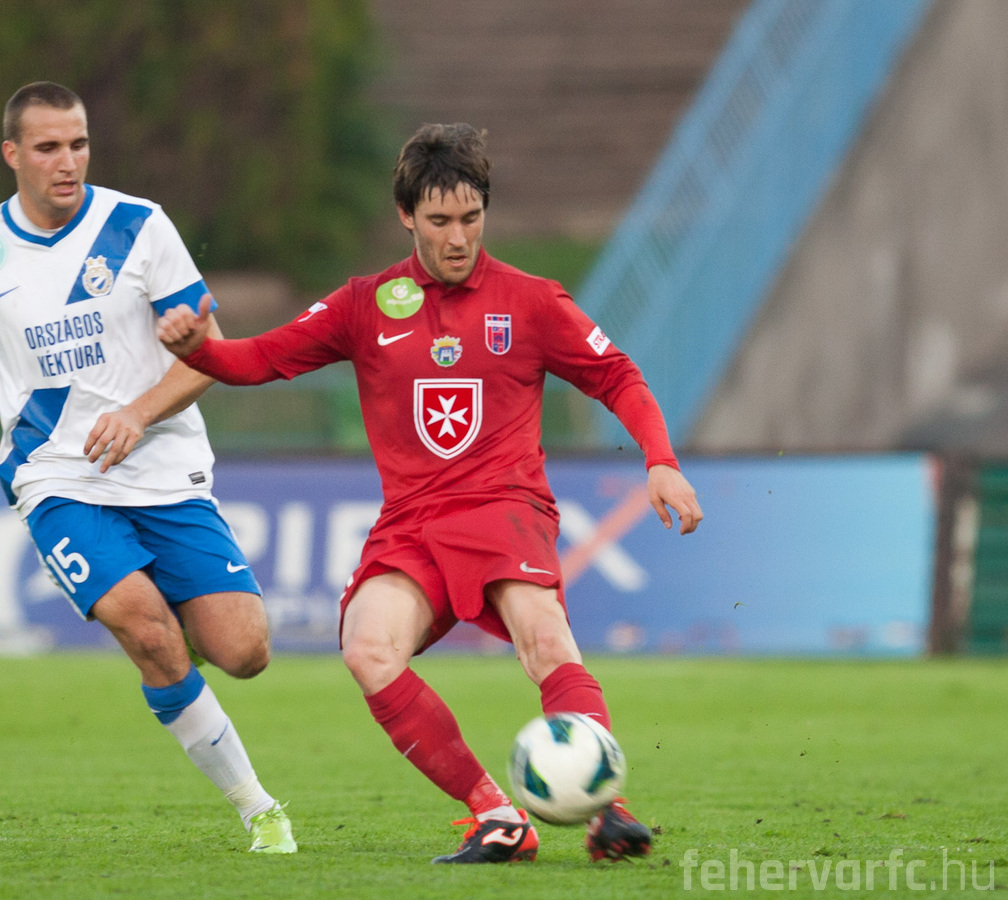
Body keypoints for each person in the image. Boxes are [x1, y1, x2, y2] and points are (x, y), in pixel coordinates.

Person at [156, 123, 702, 864]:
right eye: (440, 220)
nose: (459, 238)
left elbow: (618, 375)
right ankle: (498, 816)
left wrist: (660, 460)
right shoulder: (364, 305)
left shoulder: (531, 301)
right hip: (413, 524)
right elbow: (260, 360)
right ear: (406, 216)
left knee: (545, 638)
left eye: (472, 218)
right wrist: (200, 351)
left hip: (506, 507)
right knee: (367, 649)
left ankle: (607, 810)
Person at [0, 81, 296, 854]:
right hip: (56, 476)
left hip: (164, 468)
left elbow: (209, 352)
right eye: (48, 147)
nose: (67, 161)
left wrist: (139, 410)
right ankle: (259, 809)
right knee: (148, 633)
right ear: (12, 154)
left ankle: (174, 632)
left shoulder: (138, 225)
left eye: (78, 144)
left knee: (245, 652)